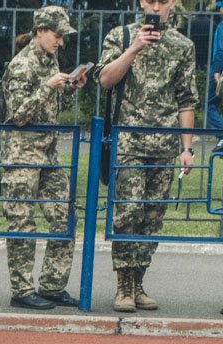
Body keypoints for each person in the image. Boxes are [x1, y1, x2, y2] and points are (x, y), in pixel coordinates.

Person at [97, 0, 196, 313]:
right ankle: (123, 286)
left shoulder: (183, 45)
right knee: (128, 213)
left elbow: (186, 99)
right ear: (142, 3)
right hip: (128, 143)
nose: (157, 7)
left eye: (163, 1)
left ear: (173, 4)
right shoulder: (121, 36)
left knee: (152, 218)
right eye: (151, 1)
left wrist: (186, 147)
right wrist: (134, 48)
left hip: (164, 146)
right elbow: (105, 80)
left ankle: (139, 282)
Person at [0, 6, 85, 311]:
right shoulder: (21, 66)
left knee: (65, 216)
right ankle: (22, 290)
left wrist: (70, 89)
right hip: (21, 156)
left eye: (63, 36)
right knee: (22, 223)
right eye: (57, 35)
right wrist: (47, 88)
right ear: (40, 32)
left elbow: (51, 107)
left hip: (47, 155)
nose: (60, 42)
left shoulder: (50, 61)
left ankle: (52, 285)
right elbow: (18, 115)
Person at [209, 0, 223, 150]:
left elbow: (221, 50)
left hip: (219, 70)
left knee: (209, 103)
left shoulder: (221, 26)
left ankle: (221, 134)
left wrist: (217, 71)